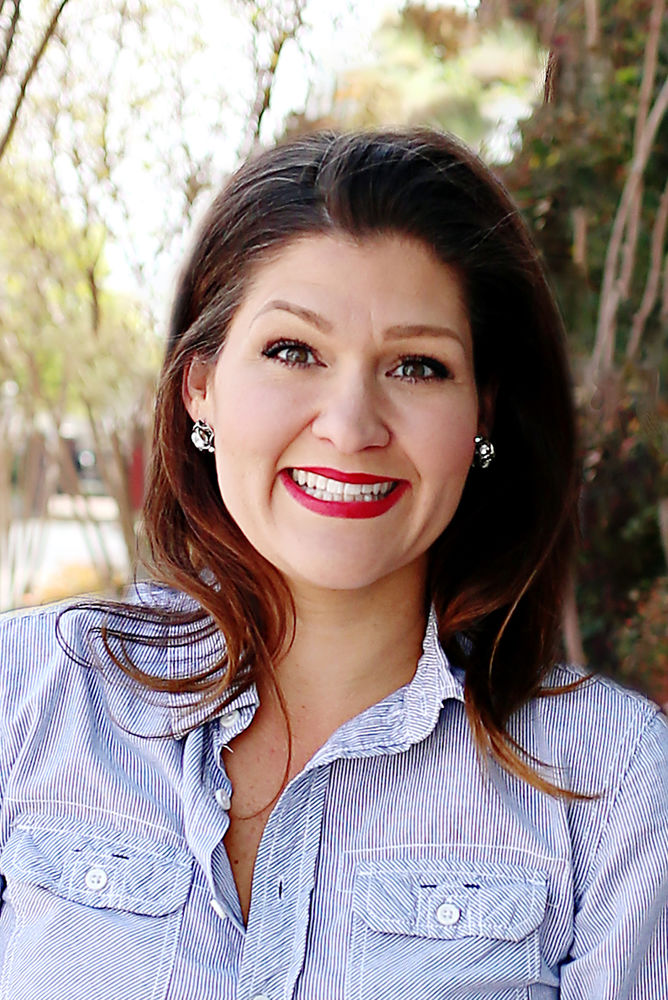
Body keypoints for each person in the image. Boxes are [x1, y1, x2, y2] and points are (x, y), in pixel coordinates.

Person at [1, 129, 667, 1000]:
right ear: (200, 382)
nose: (351, 424)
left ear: (483, 417)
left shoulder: (613, 779)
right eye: (293, 351)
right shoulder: (32, 694)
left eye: (418, 366)